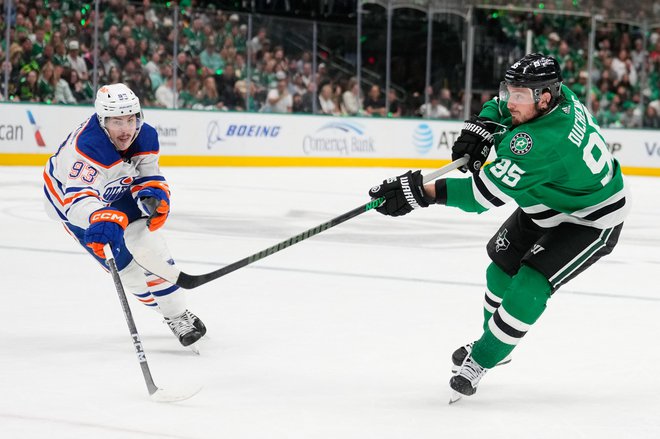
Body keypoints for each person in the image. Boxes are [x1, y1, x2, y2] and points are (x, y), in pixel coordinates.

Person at [367, 53, 629, 401]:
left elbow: (480, 196)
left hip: (591, 218)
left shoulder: (543, 143)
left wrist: (418, 193)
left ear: (544, 97)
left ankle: (484, 357)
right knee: (499, 273)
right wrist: (481, 124)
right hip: (549, 197)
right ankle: (492, 342)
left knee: (528, 286)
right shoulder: (555, 97)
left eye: (518, 96)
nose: (510, 101)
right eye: (510, 90)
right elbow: (499, 106)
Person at [43, 83, 207, 350]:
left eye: (130, 119)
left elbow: (148, 174)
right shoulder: (85, 148)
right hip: (74, 206)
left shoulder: (145, 135)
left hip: (117, 190)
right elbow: (76, 200)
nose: (127, 129)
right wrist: (98, 217)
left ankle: (178, 316)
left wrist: (153, 197)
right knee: (128, 272)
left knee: (149, 246)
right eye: (117, 121)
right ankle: (169, 312)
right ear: (102, 120)